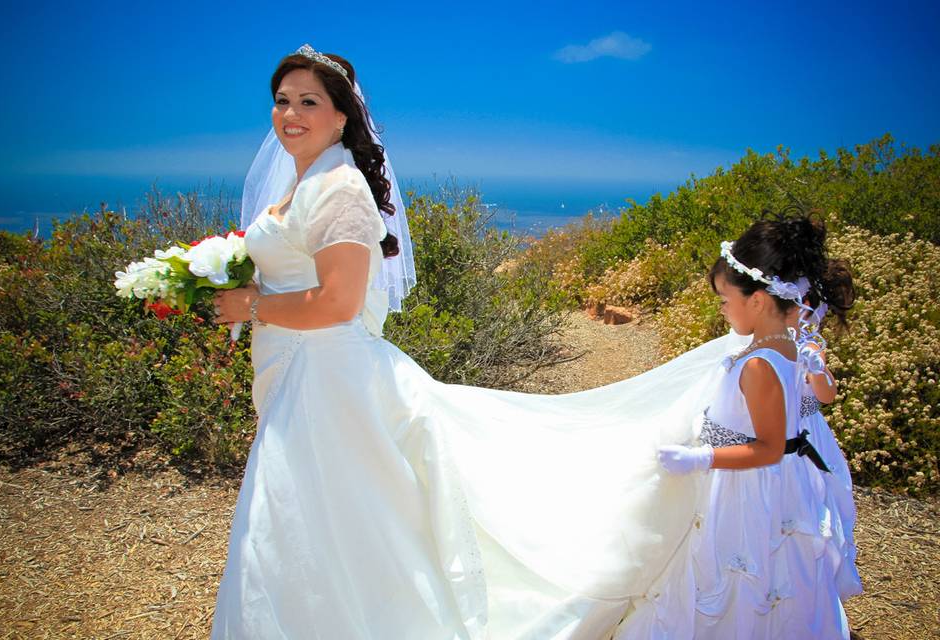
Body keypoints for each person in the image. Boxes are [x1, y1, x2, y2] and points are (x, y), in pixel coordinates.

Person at [210, 44, 748, 639]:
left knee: (322, 518)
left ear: (341, 116)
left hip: (327, 381)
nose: (291, 113)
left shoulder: (338, 187)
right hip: (296, 368)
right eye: (282, 101)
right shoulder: (299, 183)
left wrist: (252, 304)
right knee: (310, 522)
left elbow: (338, 303)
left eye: (309, 101)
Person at [614, 213, 861, 638]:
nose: (723, 309)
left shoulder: (759, 365)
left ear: (759, 301)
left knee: (744, 574)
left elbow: (768, 447)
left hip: (751, 489)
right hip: (789, 484)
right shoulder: (792, 341)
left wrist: (699, 457)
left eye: (725, 300)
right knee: (784, 574)